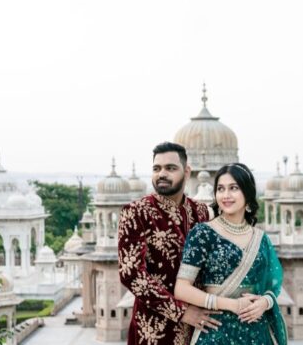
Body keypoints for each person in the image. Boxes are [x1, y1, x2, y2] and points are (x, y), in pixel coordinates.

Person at [118, 142, 220, 345]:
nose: (162, 174)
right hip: (153, 329)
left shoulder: (201, 212)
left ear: (187, 171)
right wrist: (181, 312)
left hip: (201, 326)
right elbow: (131, 274)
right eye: (157, 168)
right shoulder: (136, 212)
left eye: (170, 168)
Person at [174, 163, 288, 345]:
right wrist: (232, 305)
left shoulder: (261, 239)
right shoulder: (203, 233)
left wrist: (265, 302)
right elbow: (181, 288)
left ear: (248, 193)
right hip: (216, 331)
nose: (226, 195)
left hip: (256, 332)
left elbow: (272, 284)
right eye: (220, 189)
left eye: (233, 188)